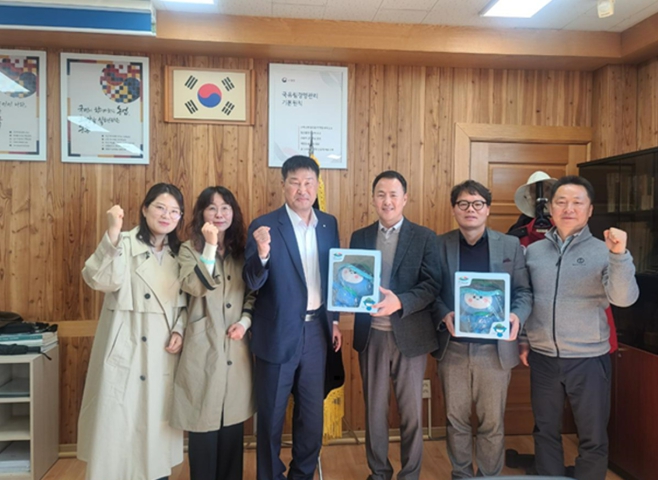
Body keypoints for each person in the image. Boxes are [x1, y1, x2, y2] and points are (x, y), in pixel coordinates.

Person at [520, 175, 639, 480]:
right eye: (561, 202)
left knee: (592, 436)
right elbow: (526, 298)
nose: (568, 208)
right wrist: (523, 339)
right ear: (550, 208)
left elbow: (624, 298)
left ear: (590, 210)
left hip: (589, 360)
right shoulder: (533, 252)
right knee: (545, 431)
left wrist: (619, 255)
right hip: (543, 358)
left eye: (577, 202)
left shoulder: (605, 251)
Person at [78, 183, 187, 480]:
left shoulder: (180, 254)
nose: (166, 215)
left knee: (156, 428)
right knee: (118, 426)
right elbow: (101, 280)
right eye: (160, 207)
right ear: (145, 209)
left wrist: (180, 329)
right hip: (126, 344)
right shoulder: (124, 243)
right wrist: (113, 232)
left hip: (162, 351)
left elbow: (187, 301)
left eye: (174, 211)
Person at [242, 155, 341, 480]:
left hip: (317, 334)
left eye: (309, 183)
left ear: (317, 186)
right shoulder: (264, 225)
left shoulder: (328, 224)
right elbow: (252, 281)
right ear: (283, 185)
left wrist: (335, 320)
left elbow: (333, 277)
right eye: (295, 182)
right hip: (277, 333)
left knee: (311, 417)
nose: (302, 189)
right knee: (271, 417)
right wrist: (263, 253)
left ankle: (302, 474)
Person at [433, 180, 532, 478]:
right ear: (454, 209)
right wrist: (443, 313)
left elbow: (524, 292)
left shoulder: (510, 245)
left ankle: (489, 476)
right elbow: (430, 291)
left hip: (495, 351)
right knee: (456, 421)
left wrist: (516, 315)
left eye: (477, 203)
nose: (470, 209)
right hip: (454, 349)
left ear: (487, 209)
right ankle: (461, 475)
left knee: (492, 423)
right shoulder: (439, 245)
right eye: (463, 204)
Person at [350, 170, 441, 480]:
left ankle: (410, 474)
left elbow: (432, 285)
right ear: (373, 199)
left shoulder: (425, 237)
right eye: (381, 195)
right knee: (374, 411)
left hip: (410, 337)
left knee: (411, 412)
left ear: (405, 199)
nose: (387, 201)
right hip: (371, 336)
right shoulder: (360, 237)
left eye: (393, 195)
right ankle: (379, 473)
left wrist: (399, 301)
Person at [171, 186, 256, 480]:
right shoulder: (187, 249)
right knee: (203, 428)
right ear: (201, 213)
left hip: (236, 348)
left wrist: (245, 321)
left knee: (232, 430)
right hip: (202, 348)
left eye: (225, 208)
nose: (219, 214)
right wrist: (209, 245)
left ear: (234, 213)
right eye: (212, 208)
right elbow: (194, 286)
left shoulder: (241, 252)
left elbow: (253, 294)